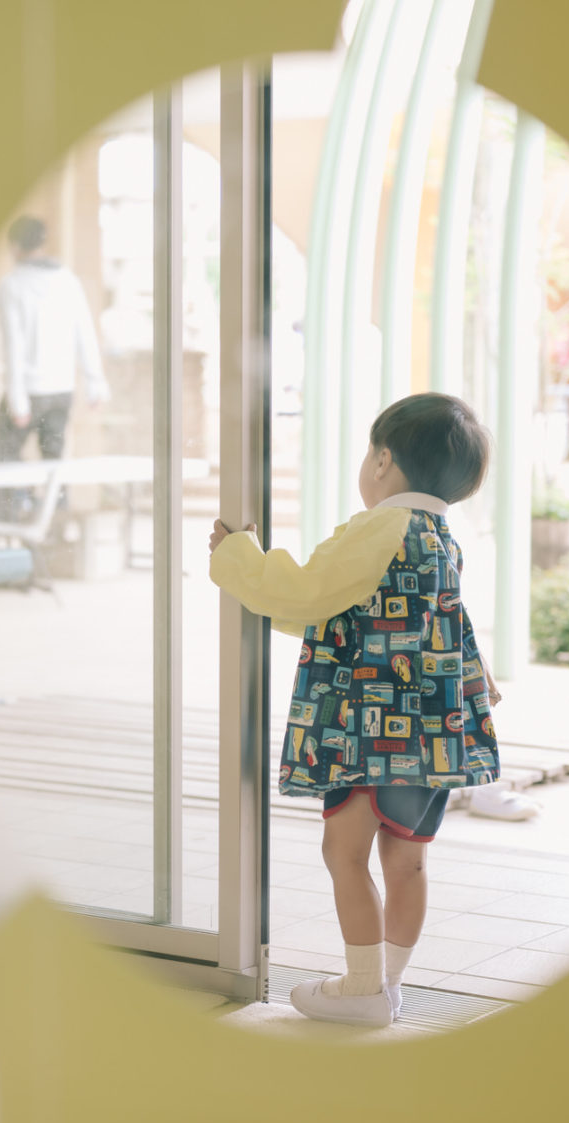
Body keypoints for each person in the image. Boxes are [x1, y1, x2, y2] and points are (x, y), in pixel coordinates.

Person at [208, 392, 516, 1027]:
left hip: (374, 731)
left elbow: (307, 593)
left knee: (344, 853)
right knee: (408, 861)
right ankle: (388, 987)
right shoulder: (441, 537)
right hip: (434, 734)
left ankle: (362, 989)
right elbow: (420, 620)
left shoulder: (380, 527)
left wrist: (238, 555)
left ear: (382, 460)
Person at [0, 215, 109, 522]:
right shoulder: (68, 280)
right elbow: (85, 333)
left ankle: (1, 527)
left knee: (2, 459)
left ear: (14, 246)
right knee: (54, 463)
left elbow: (14, 346)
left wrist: (17, 401)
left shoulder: (11, 286)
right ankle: (55, 529)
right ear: (43, 243)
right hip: (61, 390)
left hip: (28, 390)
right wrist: (96, 384)